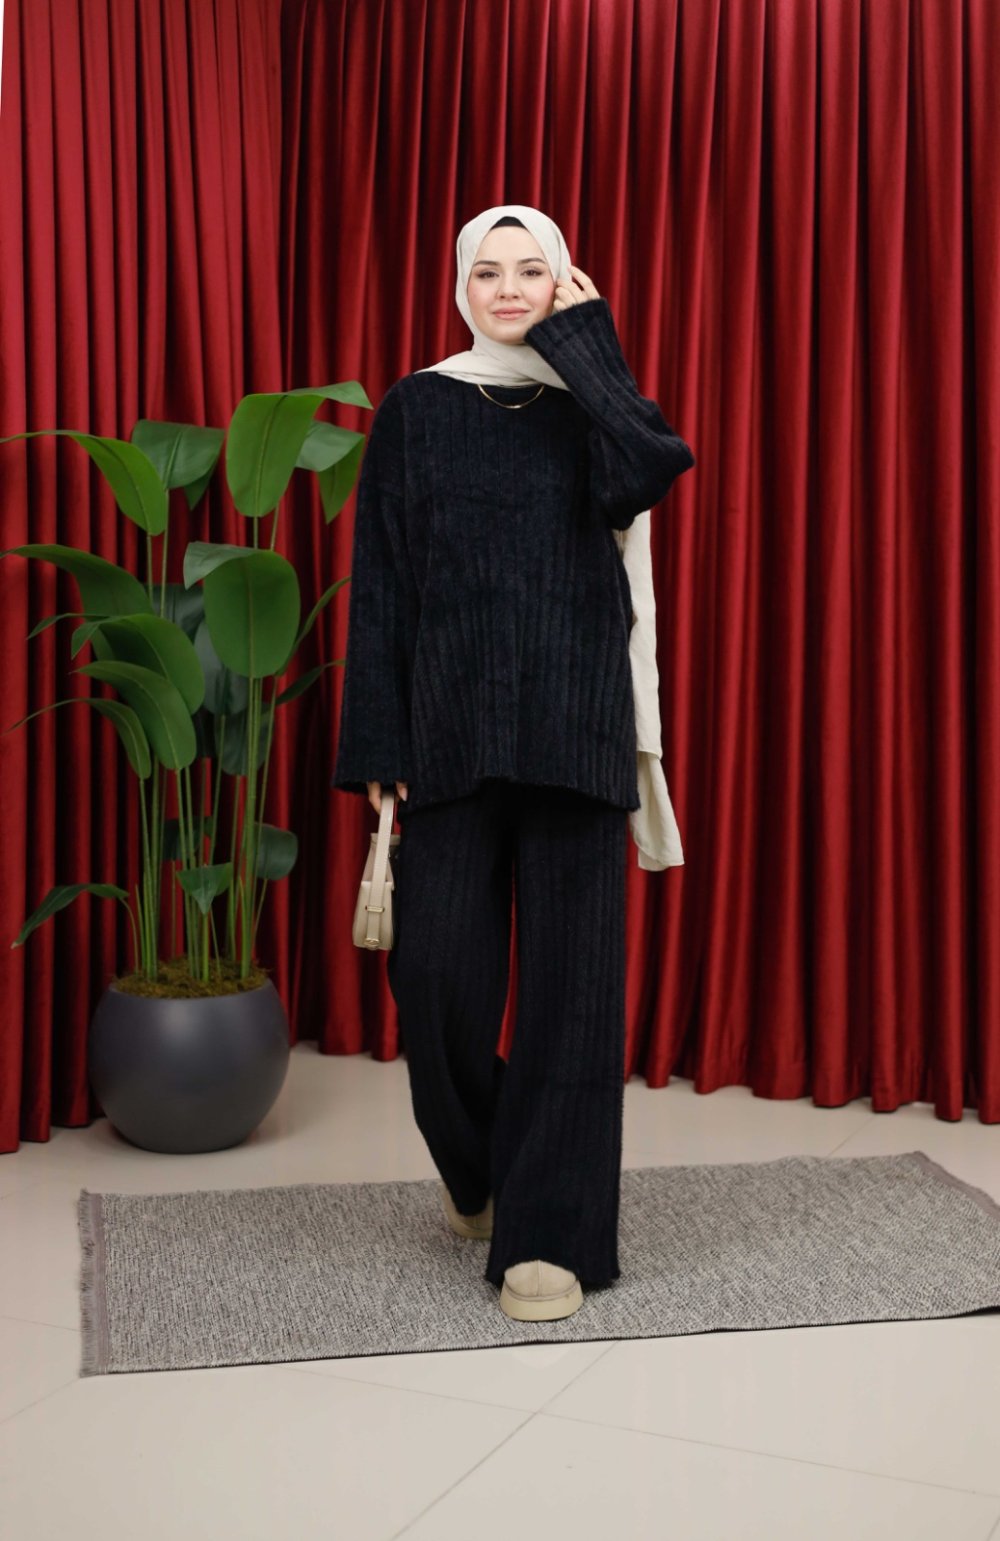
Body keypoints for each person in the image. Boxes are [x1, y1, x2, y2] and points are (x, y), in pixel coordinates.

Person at [331, 203, 695, 1321]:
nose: (506, 289)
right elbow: (383, 578)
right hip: (447, 731)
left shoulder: (595, 408)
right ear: (461, 285)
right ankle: (484, 1165)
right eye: (487, 272)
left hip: (576, 727)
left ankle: (550, 1235)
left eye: (531, 272)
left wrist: (589, 347)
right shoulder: (417, 405)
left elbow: (655, 462)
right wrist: (378, 740)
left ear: (563, 284)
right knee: (436, 979)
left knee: (572, 1001)